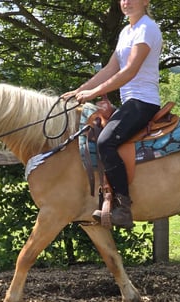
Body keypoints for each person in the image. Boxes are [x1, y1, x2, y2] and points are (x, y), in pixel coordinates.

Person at [62, 0, 162, 229]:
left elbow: (129, 71)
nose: (126, 2)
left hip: (143, 102)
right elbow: (110, 69)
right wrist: (79, 91)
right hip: (130, 102)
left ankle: (123, 207)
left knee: (106, 142)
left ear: (146, 1)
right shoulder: (126, 31)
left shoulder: (147, 28)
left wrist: (93, 93)